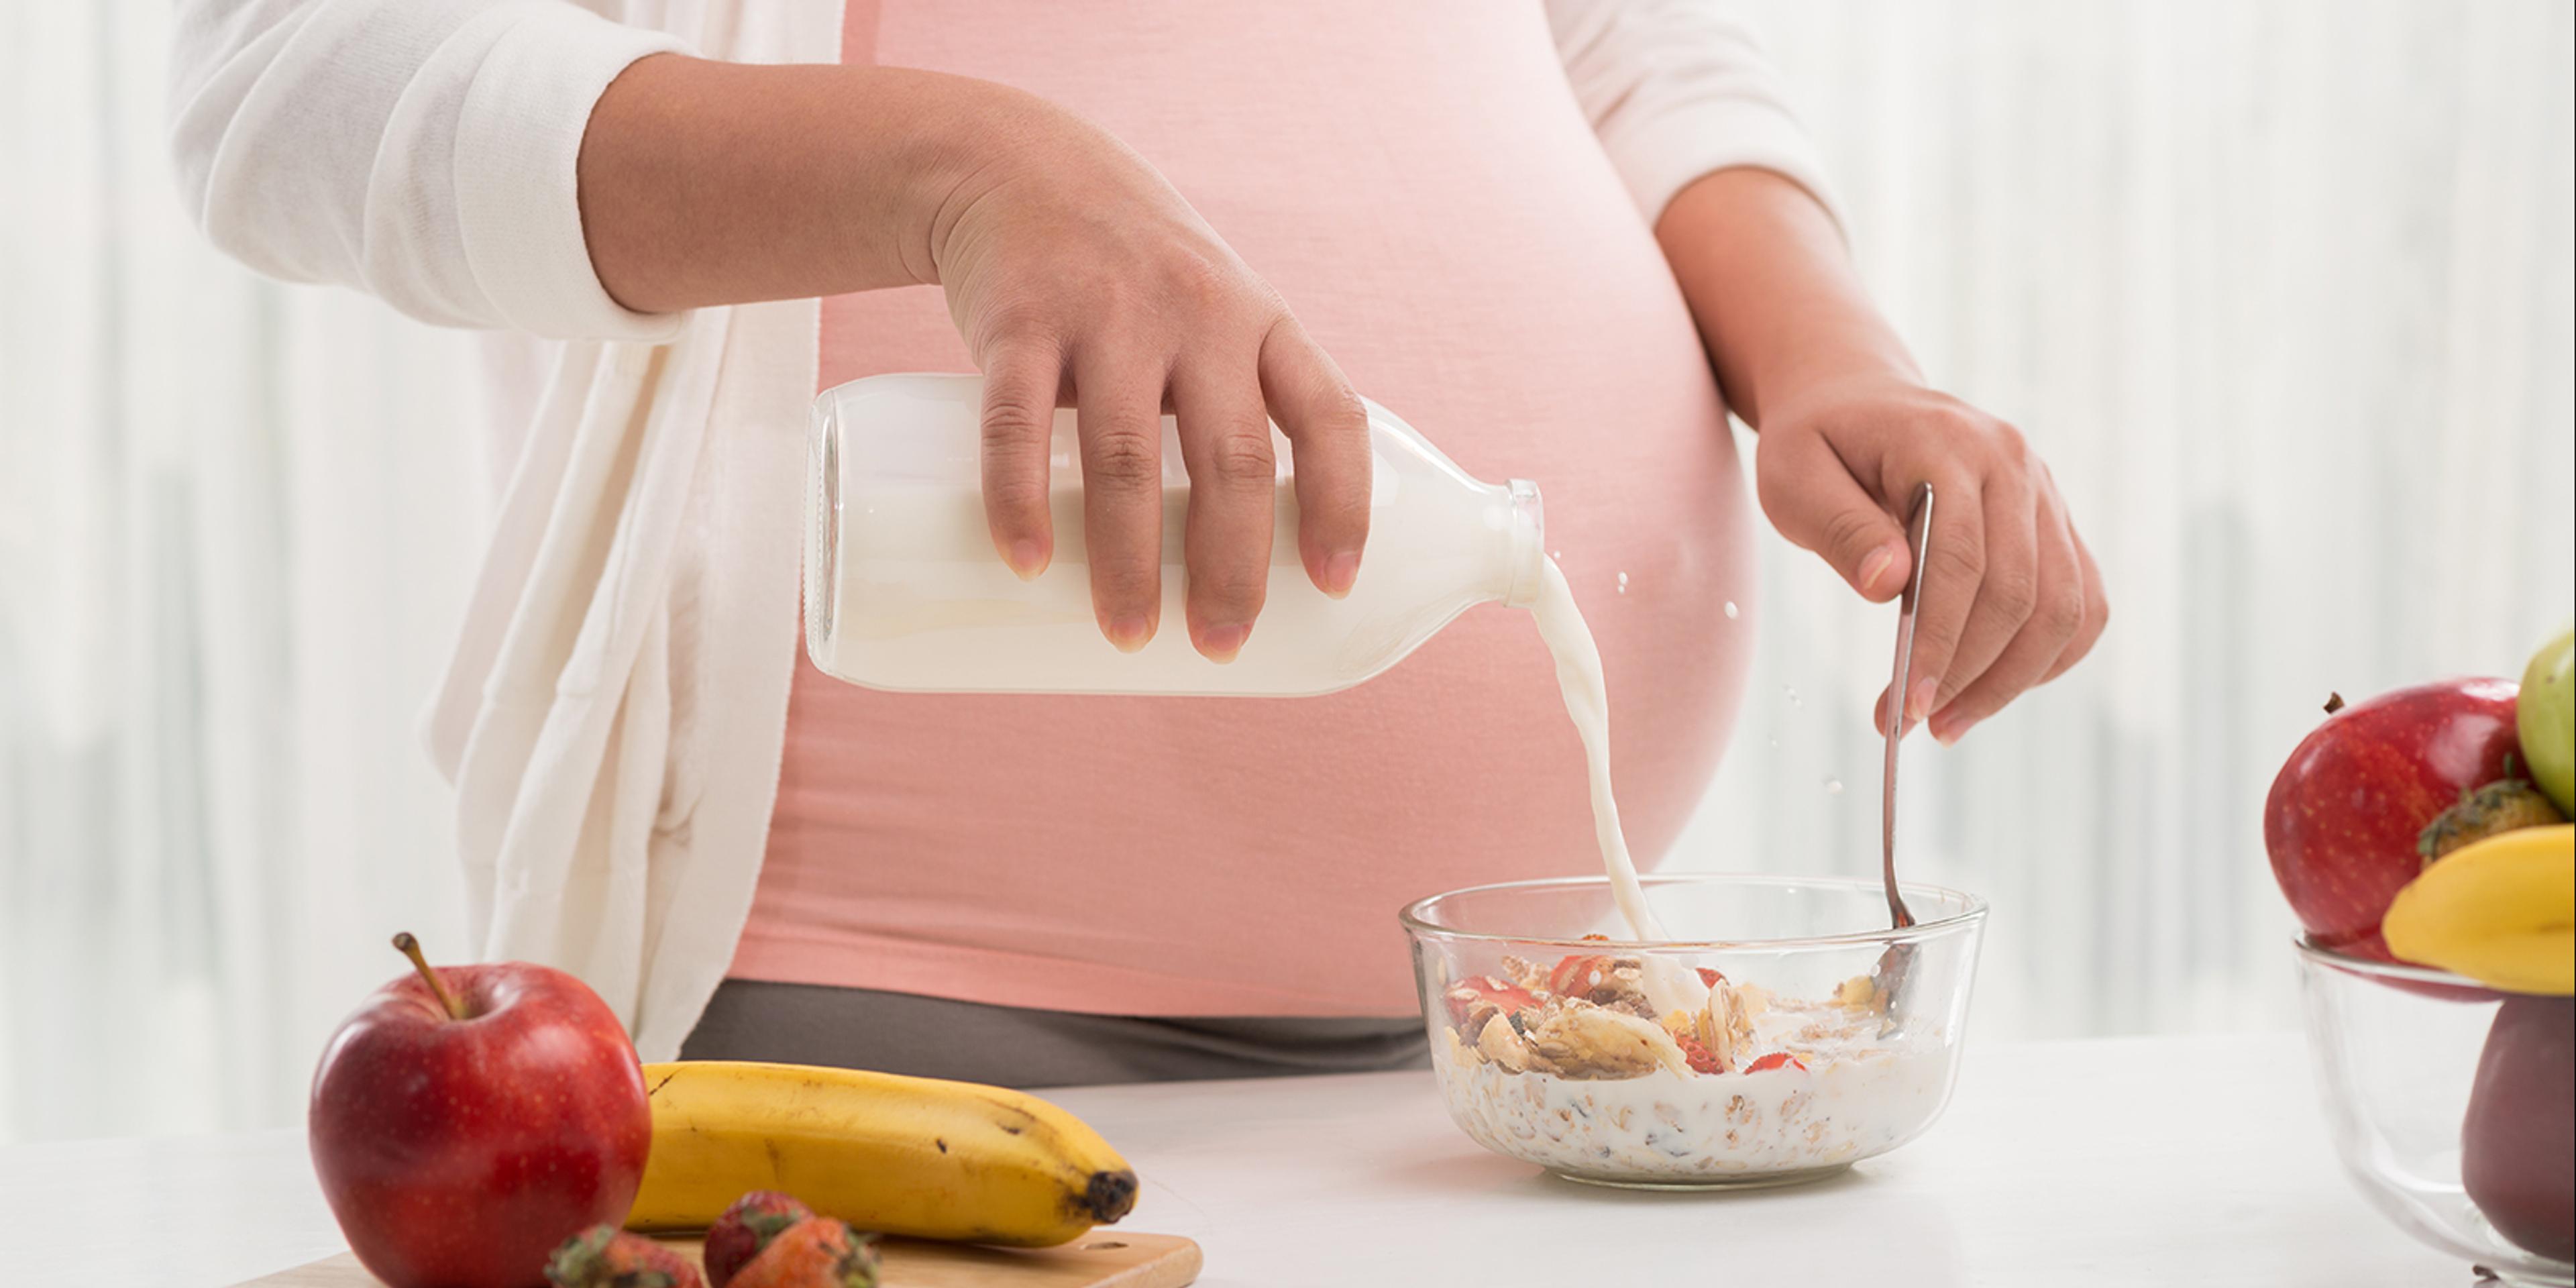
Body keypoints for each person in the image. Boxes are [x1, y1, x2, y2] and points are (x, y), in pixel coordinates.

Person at [170, 0, 2106, 1083]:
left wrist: (1837, 355)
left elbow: (1628, 50)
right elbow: (289, 78)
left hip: (1533, 1041)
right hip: (893, 1030)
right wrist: (962, 170)